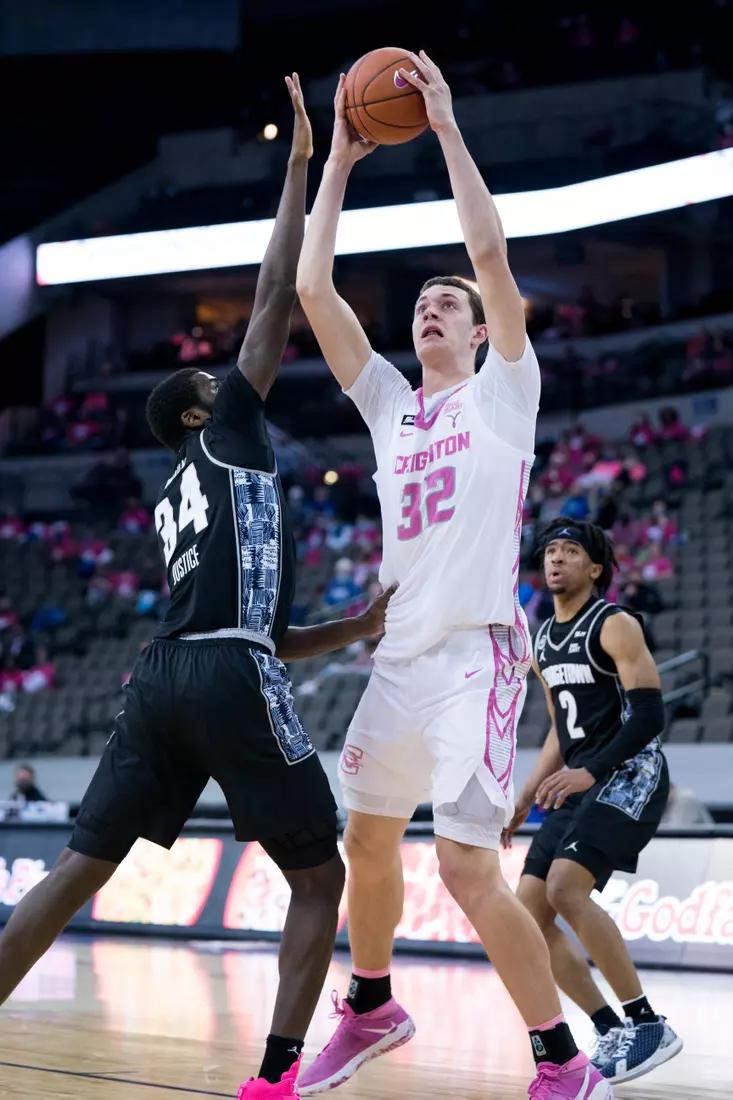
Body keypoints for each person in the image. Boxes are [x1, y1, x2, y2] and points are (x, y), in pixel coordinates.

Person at [0, 76, 389, 1100]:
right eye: (219, 380)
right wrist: (302, 163)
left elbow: (253, 624)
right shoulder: (224, 427)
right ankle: (272, 1075)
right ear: (197, 410)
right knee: (321, 877)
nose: (234, 372)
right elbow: (273, 293)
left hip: (165, 676)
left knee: (79, 868)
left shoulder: (184, 484)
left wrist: (350, 625)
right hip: (222, 669)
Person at [296, 51, 608, 1100]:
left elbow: (485, 244)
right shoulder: (390, 404)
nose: (431, 307)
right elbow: (309, 286)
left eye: (449, 303)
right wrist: (336, 161)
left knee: (466, 866)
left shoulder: (501, 397)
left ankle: (564, 1061)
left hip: (476, 655)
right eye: (422, 301)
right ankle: (373, 1000)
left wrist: (443, 131)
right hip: (398, 658)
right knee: (364, 842)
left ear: (482, 331)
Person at [504, 518, 682, 1086]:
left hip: (630, 772)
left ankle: (647, 1022)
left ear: (595, 568)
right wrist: (526, 793)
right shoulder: (541, 640)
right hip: (579, 778)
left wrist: (590, 771)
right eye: (551, 551)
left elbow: (651, 715)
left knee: (564, 888)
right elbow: (561, 729)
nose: (556, 560)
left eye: (570, 551)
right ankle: (609, 1028)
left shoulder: (615, 623)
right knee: (528, 911)